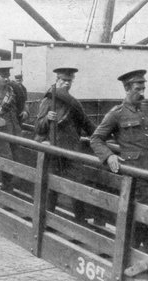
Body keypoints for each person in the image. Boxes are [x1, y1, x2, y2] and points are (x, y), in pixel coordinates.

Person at [90, 69, 148, 254]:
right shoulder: (116, 114)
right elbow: (96, 139)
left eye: (143, 88)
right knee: (145, 215)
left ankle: (132, 256)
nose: (142, 92)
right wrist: (109, 156)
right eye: (137, 88)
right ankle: (133, 256)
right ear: (127, 89)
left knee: (144, 217)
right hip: (135, 176)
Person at [35, 67, 96, 215]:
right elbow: (38, 127)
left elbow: (86, 124)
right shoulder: (49, 101)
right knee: (51, 188)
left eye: (70, 81)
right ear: (57, 80)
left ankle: (80, 222)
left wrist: (101, 137)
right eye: (64, 80)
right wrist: (47, 119)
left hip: (71, 150)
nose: (67, 84)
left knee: (77, 187)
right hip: (54, 150)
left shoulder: (73, 103)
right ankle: (46, 222)